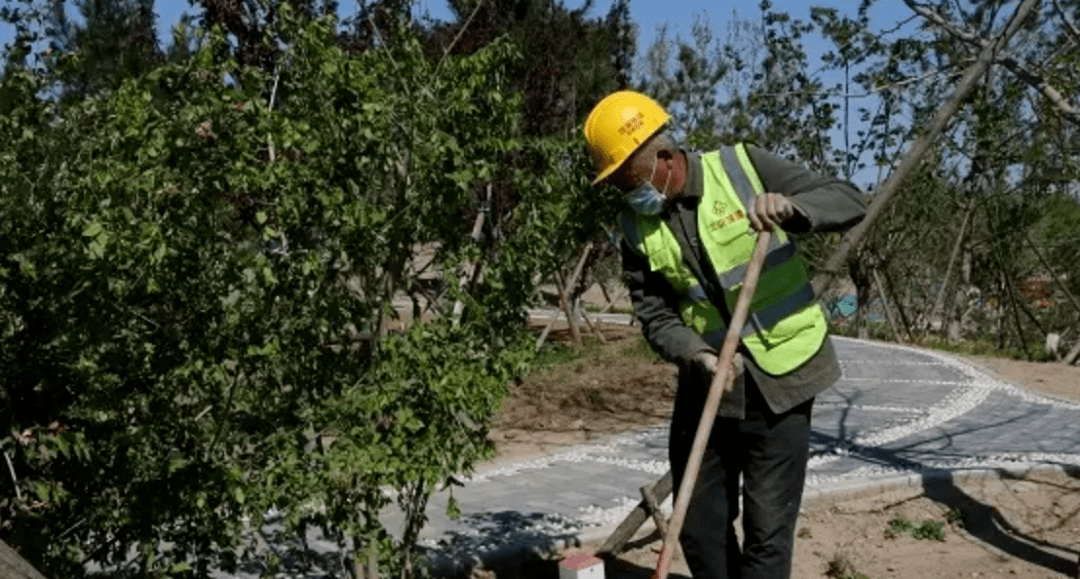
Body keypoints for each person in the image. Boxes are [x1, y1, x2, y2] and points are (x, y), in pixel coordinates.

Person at [583, 90, 866, 579]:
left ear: (665, 160)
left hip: (783, 377)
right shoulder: (634, 225)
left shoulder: (743, 166)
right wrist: (695, 353)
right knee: (698, 525)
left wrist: (792, 208)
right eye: (617, 187)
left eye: (629, 182)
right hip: (707, 383)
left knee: (767, 531)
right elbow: (654, 313)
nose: (627, 195)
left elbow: (848, 199)